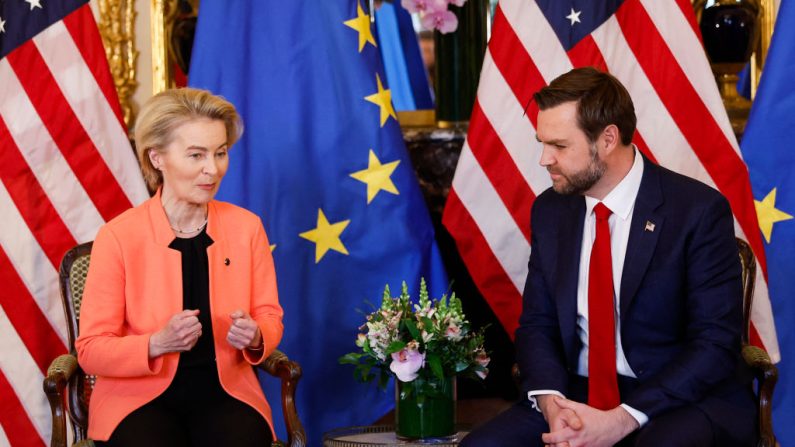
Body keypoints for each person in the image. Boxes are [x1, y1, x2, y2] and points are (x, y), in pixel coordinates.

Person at [461, 67, 756, 446]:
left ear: (608, 139)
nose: (544, 159)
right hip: (575, 395)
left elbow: (715, 343)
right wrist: (552, 404)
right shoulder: (551, 211)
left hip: (675, 397)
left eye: (560, 146)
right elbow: (537, 324)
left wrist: (622, 419)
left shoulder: (696, 211)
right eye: (542, 143)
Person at [76, 88, 283, 446]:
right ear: (157, 158)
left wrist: (256, 336)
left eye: (220, 153)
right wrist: (156, 343)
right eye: (196, 155)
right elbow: (91, 349)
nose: (212, 169)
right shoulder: (118, 236)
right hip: (136, 399)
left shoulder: (247, 228)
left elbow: (269, 314)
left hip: (226, 393)